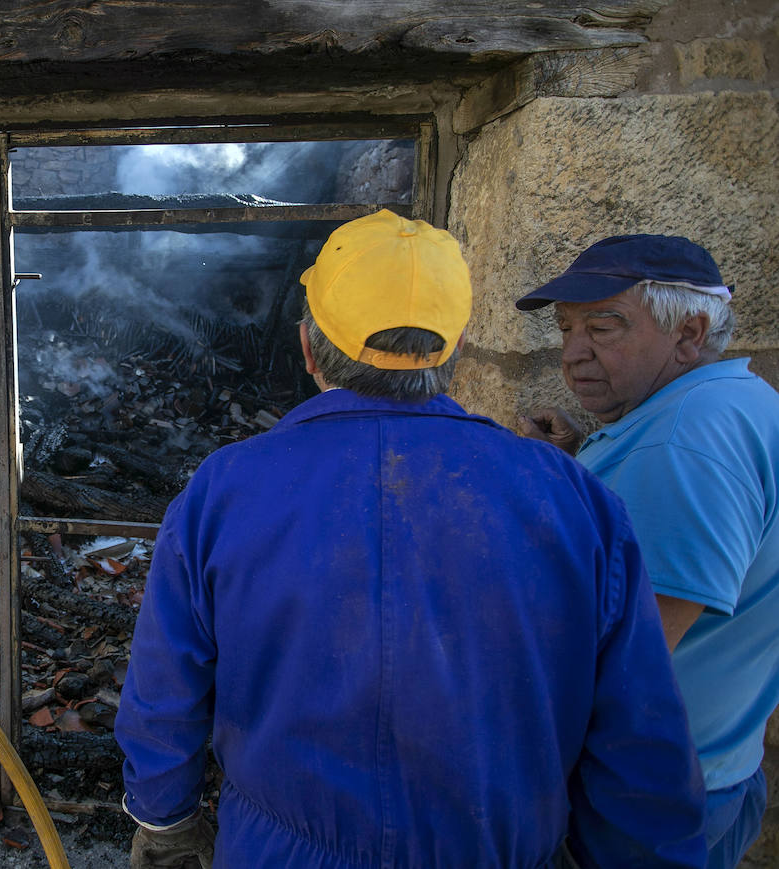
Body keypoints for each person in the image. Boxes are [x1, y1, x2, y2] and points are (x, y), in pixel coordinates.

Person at [114, 209, 706, 869]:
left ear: (308, 346)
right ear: (452, 351)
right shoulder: (574, 499)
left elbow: (165, 684)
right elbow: (639, 740)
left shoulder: (223, 489)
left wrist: (165, 821)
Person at [516, 234, 779, 869]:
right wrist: (587, 463)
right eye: (566, 329)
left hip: (638, 806)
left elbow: (629, 654)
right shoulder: (732, 402)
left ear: (689, 333)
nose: (573, 354)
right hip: (713, 769)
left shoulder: (685, 441)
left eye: (603, 327)